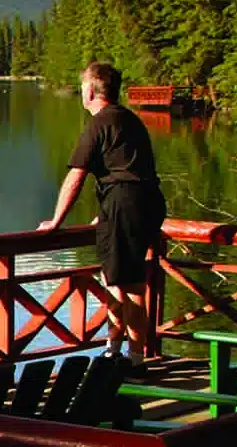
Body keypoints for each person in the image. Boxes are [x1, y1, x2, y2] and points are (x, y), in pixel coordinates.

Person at [36, 62, 167, 365]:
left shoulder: (98, 124)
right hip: (147, 203)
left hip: (125, 205)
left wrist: (57, 221)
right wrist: (106, 211)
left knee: (128, 286)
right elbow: (128, 168)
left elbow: (76, 176)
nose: (81, 90)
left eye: (83, 85)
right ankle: (116, 352)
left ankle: (131, 359)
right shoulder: (130, 120)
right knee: (120, 279)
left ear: (92, 89)